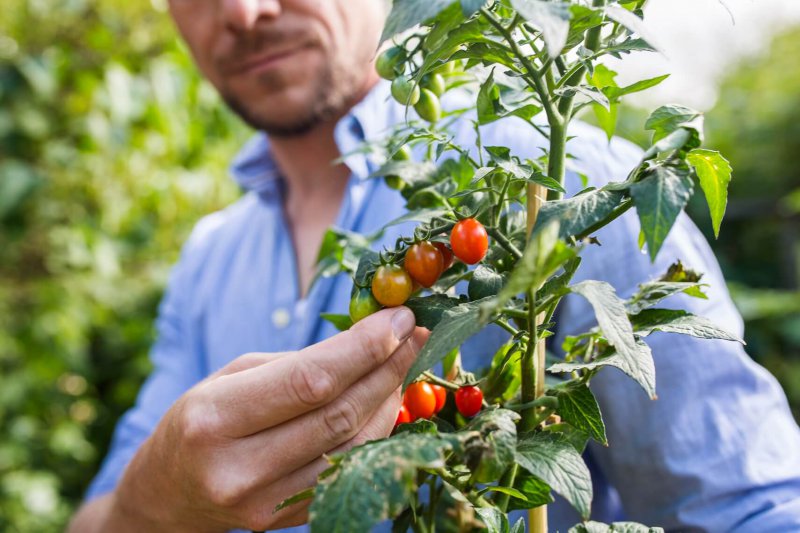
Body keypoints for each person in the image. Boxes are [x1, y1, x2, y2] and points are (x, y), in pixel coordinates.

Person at [69, 1, 800, 532]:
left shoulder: (566, 184)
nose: (245, 11)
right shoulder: (208, 258)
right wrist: (159, 493)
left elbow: (747, 505)